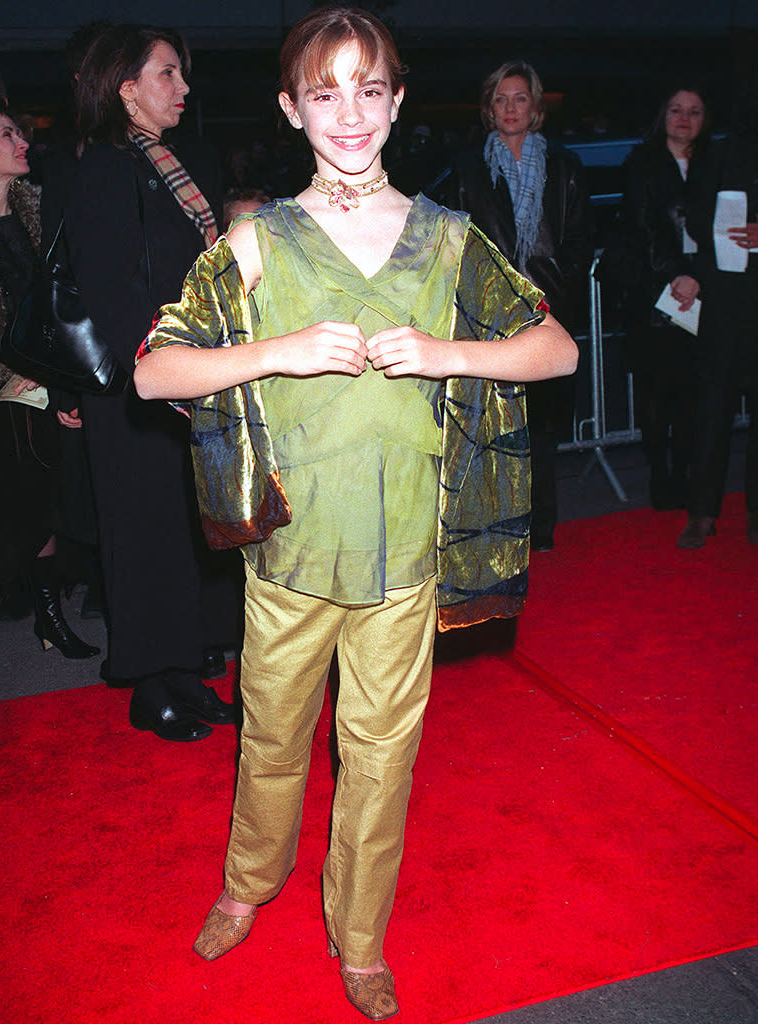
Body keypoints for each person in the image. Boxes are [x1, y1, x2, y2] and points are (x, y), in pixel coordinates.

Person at [134, 7, 577, 1019]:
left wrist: (450, 351)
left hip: (405, 554)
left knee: (383, 761)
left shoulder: (448, 237)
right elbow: (154, 371)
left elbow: (557, 350)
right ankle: (249, 881)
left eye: (368, 88)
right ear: (292, 109)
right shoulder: (258, 240)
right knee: (273, 738)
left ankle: (362, 935)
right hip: (290, 552)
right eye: (324, 91)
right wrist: (271, 350)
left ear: (396, 102)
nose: (349, 113)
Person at [64, 24, 238, 740]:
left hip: (187, 374)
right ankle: (151, 685)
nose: (184, 88)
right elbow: (109, 289)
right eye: (169, 74)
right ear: (126, 88)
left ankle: (185, 671)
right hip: (140, 382)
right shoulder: (104, 167)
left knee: (187, 529)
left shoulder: (179, 162)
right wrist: (164, 366)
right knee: (145, 535)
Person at [0, 93, 99, 658]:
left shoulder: (39, 211)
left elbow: (61, 302)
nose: (24, 143)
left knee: (46, 504)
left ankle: (51, 620)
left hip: (40, 382)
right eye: (7, 136)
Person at [448, 60, 593, 550]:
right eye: (501, 99)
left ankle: (542, 529)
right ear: (490, 108)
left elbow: (578, 243)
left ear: (535, 108)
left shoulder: (565, 167)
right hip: (490, 318)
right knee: (494, 428)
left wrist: (555, 299)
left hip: (550, 311)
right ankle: (501, 529)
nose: (511, 107)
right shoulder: (467, 168)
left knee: (543, 431)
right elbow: (457, 242)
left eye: (521, 98)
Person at [608, 85, 710, 510]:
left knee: (693, 392)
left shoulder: (714, 165)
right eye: (675, 109)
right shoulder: (641, 163)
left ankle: (686, 476)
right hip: (654, 294)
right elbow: (643, 228)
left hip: (701, 294)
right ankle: (661, 480)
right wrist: (675, 277)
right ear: (662, 114)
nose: (684, 118)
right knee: (655, 392)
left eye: (694, 111)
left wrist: (699, 278)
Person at [677, 70, 757, 548]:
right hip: (726, 304)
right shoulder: (725, 150)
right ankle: (702, 513)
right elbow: (698, 219)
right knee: (712, 412)